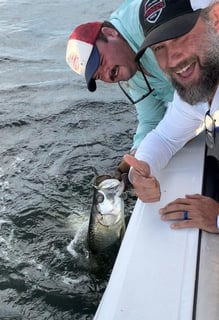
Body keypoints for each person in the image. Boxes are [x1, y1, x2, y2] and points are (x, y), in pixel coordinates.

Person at [124, 0, 219, 233]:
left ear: (216, 21)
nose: (172, 59)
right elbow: (165, 137)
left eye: (181, 36)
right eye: (159, 48)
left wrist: (216, 219)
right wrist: (141, 171)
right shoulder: (198, 90)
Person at [66, 0, 174, 181]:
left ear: (110, 33)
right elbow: (151, 119)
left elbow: (193, 92)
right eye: (99, 77)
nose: (109, 75)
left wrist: (149, 152)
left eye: (101, 62)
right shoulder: (126, 65)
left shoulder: (147, 22)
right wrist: (133, 159)